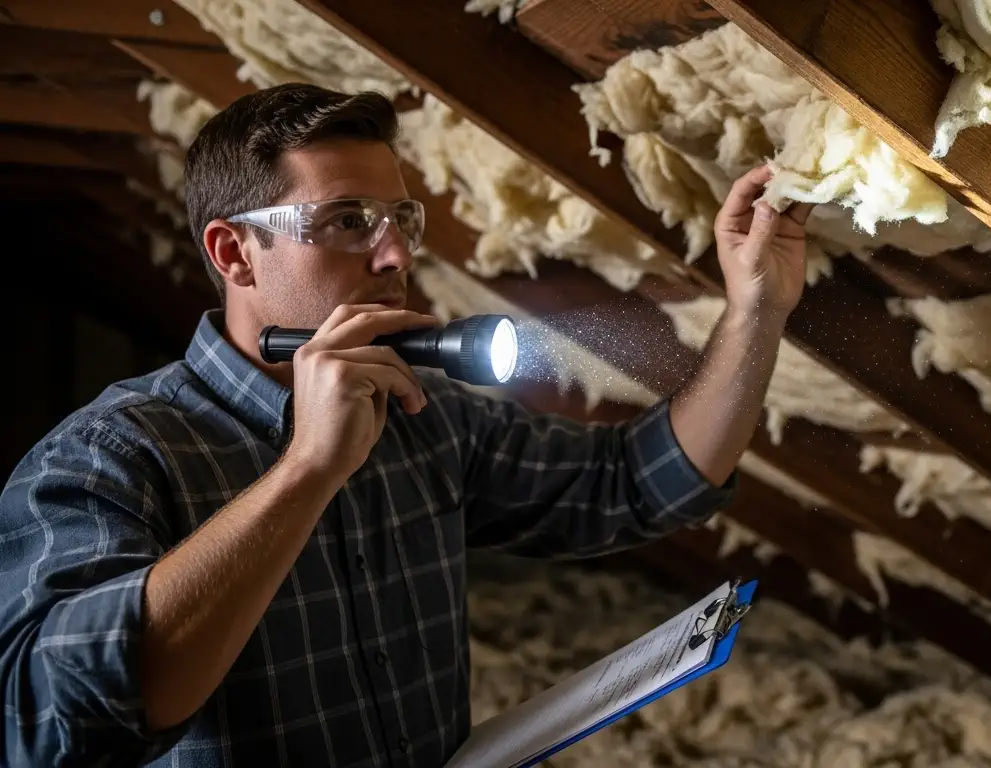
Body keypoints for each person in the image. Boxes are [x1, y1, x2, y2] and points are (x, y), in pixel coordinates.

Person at [0, 82, 813, 766]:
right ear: (235, 254)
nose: (394, 256)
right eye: (348, 221)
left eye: (399, 219)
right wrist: (308, 468)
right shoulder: (113, 456)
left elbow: (636, 484)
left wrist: (756, 311)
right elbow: (52, 726)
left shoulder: (422, 414)